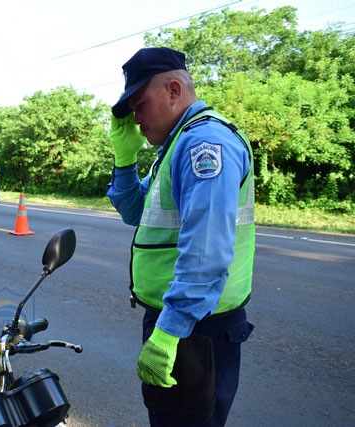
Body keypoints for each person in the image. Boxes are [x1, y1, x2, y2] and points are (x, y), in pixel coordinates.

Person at [107, 47, 255, 426]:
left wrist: (170, 331)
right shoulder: (177, 143)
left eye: (140, 105)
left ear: (174, 90)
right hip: (182, 322)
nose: (137, 120)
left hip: (195, 328)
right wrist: (125, 160)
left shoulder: (204, 144)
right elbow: (135, 212)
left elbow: (205, 252)